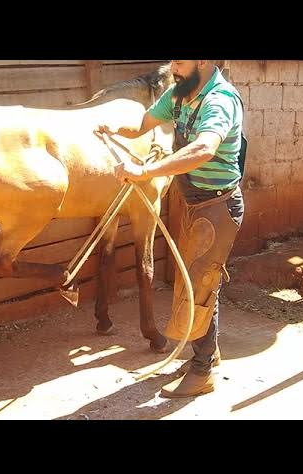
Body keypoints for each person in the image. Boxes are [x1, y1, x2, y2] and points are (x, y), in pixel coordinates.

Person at [96, 60, 246, 398]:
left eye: (180, 60)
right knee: (198, 280)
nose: (173, 66)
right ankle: (208, 354)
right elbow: (143, 123)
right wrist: (113, 128)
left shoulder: (219, 100)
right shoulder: (179, 93)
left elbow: (204, 148)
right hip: (195, 204)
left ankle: (202, 371)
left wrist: (145, 172)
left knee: (201, 285)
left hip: (219, 206)